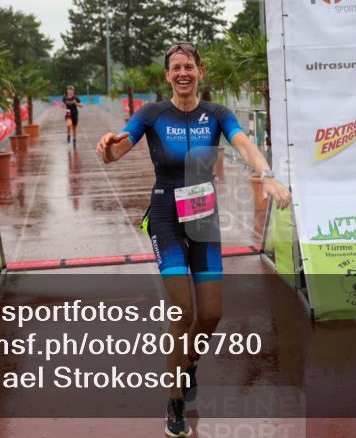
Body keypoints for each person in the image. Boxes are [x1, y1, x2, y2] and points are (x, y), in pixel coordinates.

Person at [96, 42, 291, 438]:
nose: (183, 73)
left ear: (200, 72)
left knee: (212, 313)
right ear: (167, 75)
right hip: (165, 217)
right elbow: (117, 151)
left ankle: (188, 364)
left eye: (189, 66)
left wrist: (266, 174)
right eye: (176, 67)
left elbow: (243, 144)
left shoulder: (216, 115)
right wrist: (107, 149)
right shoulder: (152, 114)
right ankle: (174, 402)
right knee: (183, 310)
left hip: (203, 219)